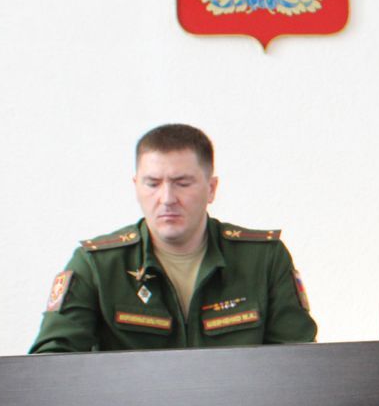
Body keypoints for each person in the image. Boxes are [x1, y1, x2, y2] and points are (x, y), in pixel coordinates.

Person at [30, 124, 317, 352]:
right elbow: (52, 366)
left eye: (182, 183)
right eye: (152, 184)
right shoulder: (98, 265)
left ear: (211, 189)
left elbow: (299, 363)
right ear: (136, 187)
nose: (167, 198)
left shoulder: (263, 259)